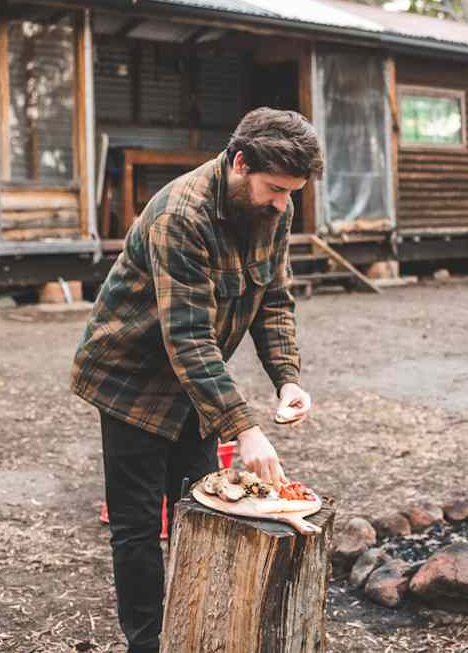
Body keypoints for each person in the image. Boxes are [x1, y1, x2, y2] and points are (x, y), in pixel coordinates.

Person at [71, 107, 324, 653]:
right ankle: (147, 643)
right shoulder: (179, 215)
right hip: (130, 380)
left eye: (292, 192)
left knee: (205, 509)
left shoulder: (273, 208)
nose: (285, 204)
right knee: (138, 527)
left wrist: (286, 378)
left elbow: (273, 299)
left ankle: (196, 631)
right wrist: (244, 429)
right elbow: (186, 335)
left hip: (194, 382)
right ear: (239, 163)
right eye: (276, 189)